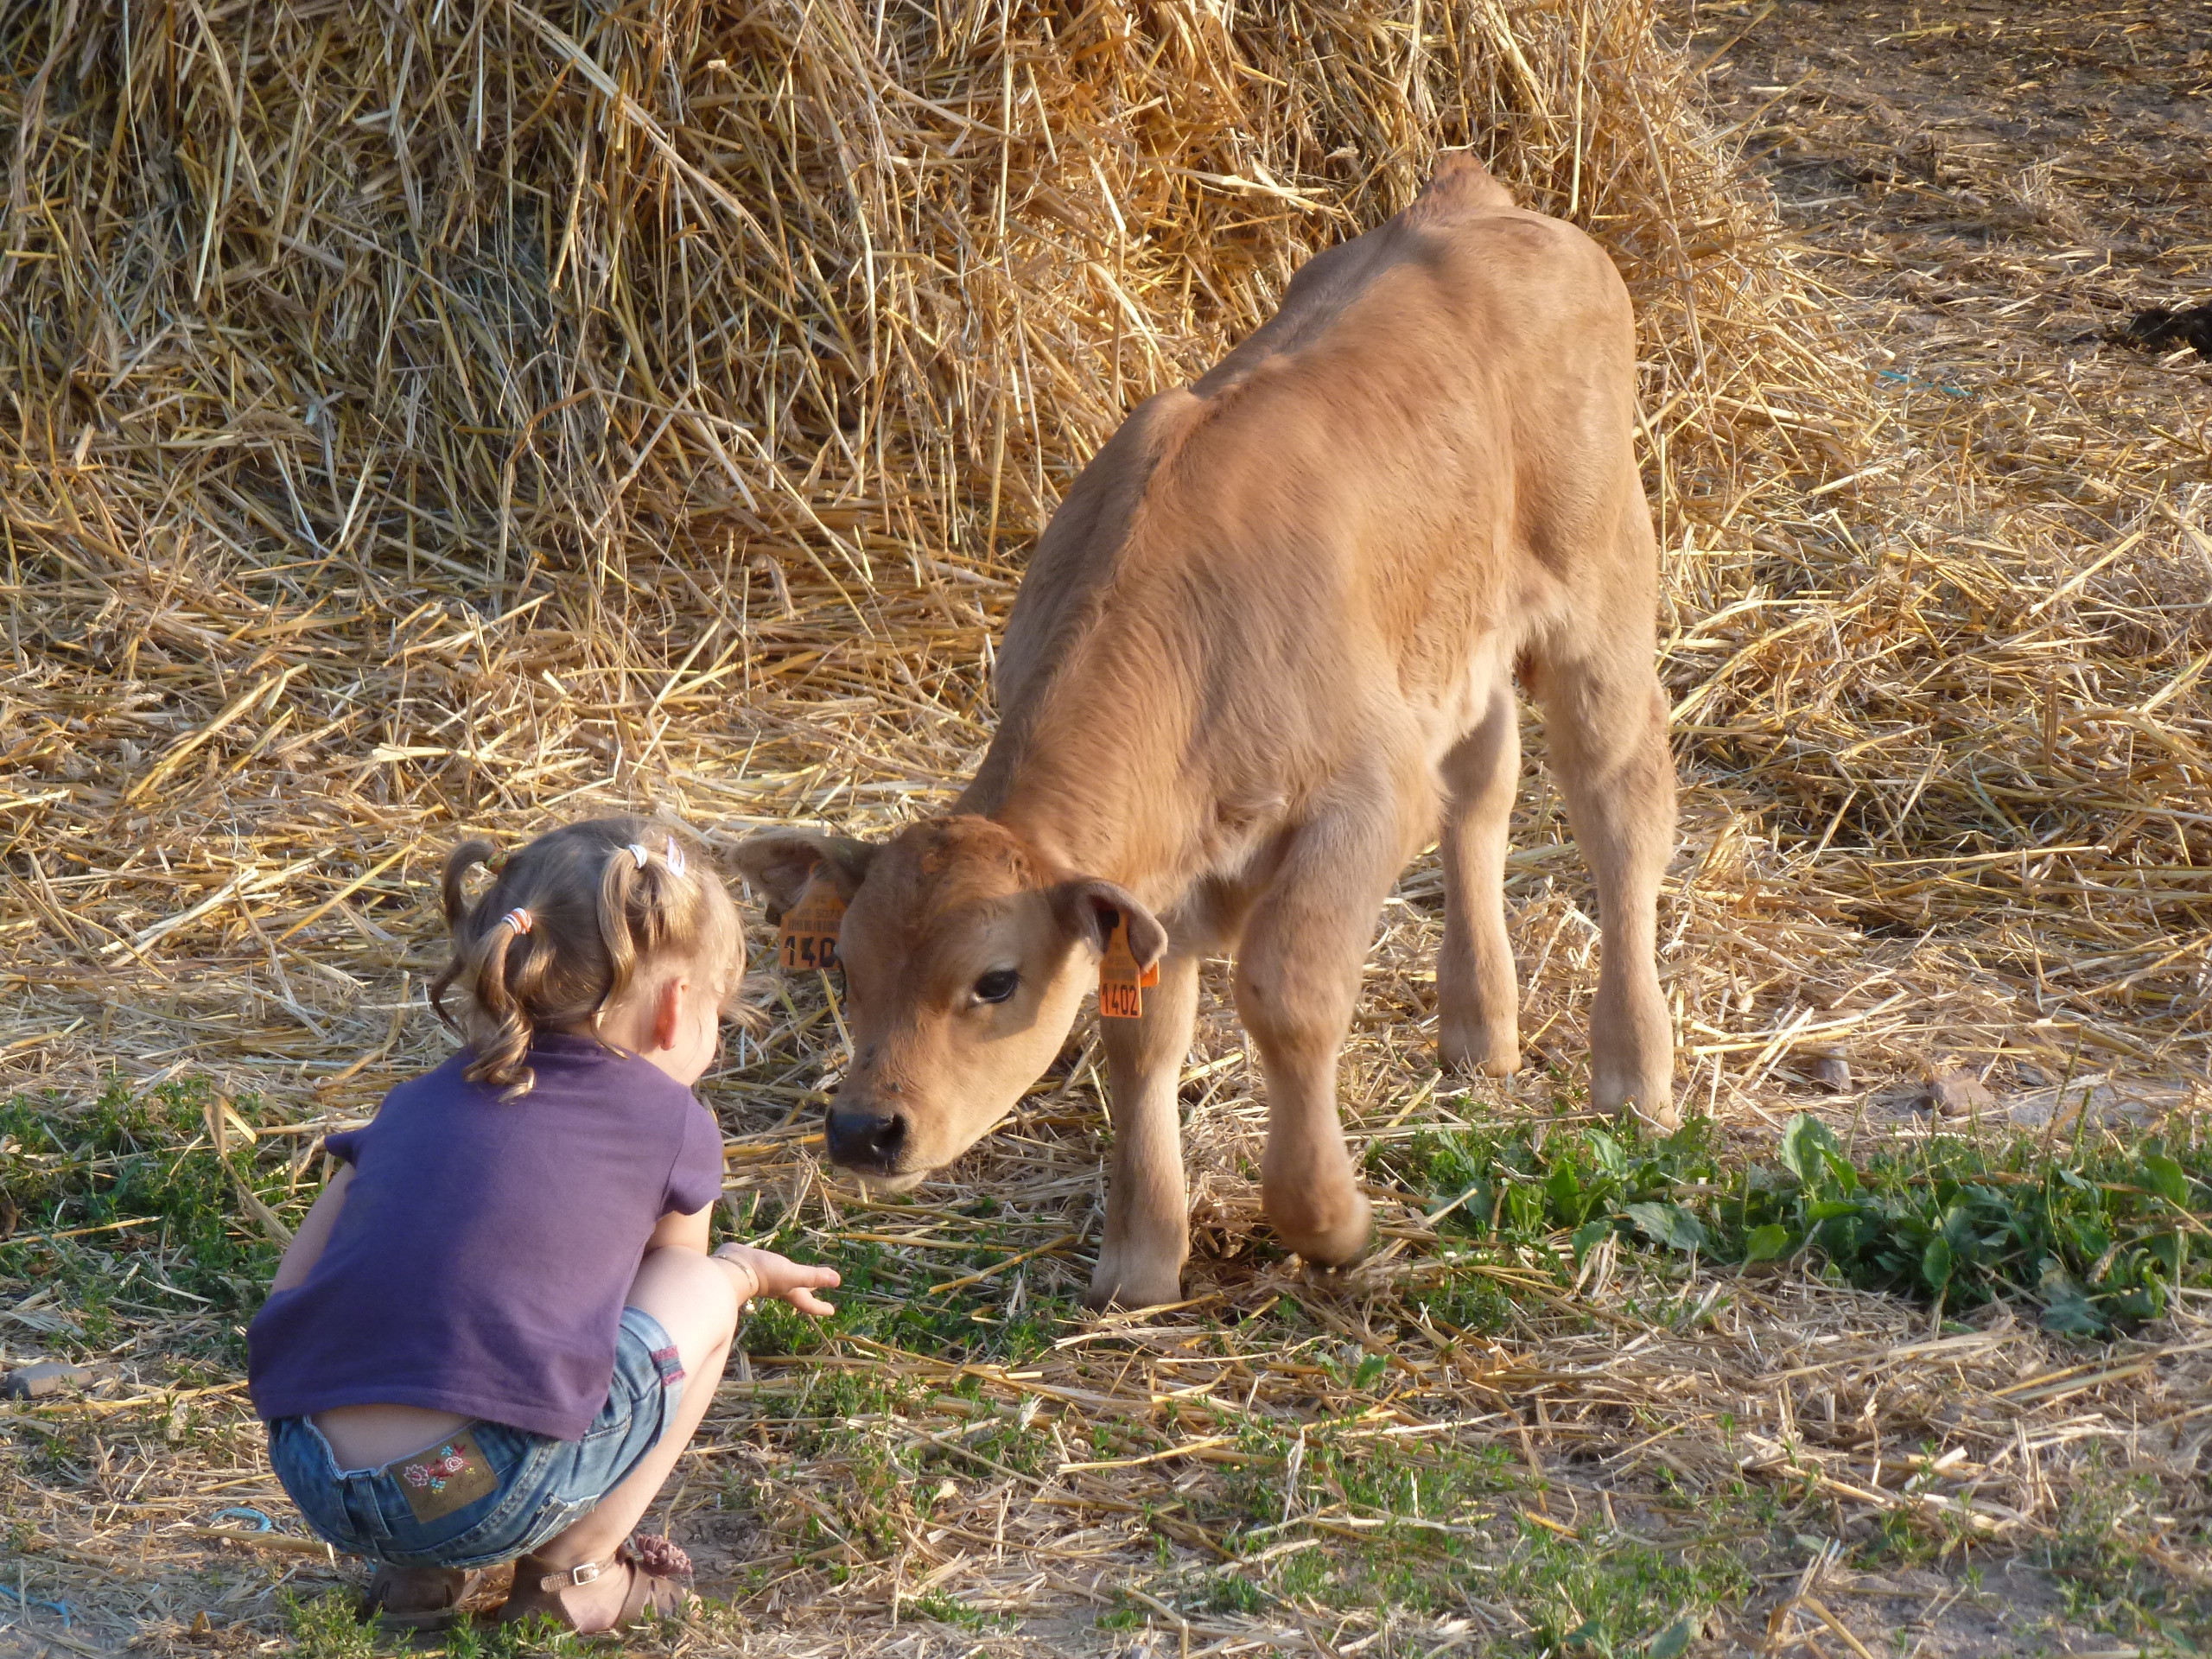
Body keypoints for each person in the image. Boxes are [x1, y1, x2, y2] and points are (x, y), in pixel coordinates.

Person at [248, 817, 839, 1633]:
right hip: (471, 1485)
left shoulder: (412, 1103)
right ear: (676, 1010)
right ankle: (576, 1578)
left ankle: (415, 1579)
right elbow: (645, 1307)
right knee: (704, 1287)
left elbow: (292, 1290)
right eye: (720, 1013)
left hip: (314, 1463)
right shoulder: (670, 1119)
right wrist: (742, 1274)